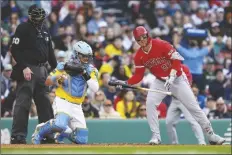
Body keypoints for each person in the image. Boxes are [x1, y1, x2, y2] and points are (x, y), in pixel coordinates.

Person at [113, 26, 225, 145]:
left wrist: (172, 76)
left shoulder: (161, 44)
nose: (142, 41)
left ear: (147, 36)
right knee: (150, 103)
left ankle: (211, 135)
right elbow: (138, 76)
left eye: (144, 37)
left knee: (194, 108)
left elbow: (177, 60)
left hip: (177, 78)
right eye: (139, 39)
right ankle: (156, 136)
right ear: (136, 41)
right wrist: (125, 83)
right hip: (160, 81)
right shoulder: (139, 56)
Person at [31, 41, 99, 144]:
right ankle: (40, 130)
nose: (86, 59)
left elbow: (95, 88)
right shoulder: (64, 66)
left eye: (88, 56)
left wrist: (84, 73)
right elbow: (47, 81)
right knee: (60, 124)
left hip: (77, 105)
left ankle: (63, 133)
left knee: (82, 140)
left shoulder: (91, 70)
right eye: (83, 56)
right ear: (76, 54)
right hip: (63, 101)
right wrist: (58, 77)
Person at [10, 4, 57, 144]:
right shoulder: (22, 28)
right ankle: (18, 136)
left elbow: (50, 53)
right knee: (23, 102)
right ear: (30, 15)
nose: (40, 18)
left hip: (43, 70)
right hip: (28, 70)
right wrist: (23, 67)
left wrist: (56, 69)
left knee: (45, 104)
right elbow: (14, 50)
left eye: (41, 15)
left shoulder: (45, 29)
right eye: (37, 15)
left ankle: (46, 135)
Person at [166, 64, 206, 145]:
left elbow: (188, 83)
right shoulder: (165, 68)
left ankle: (202, 141)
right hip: (174, 100)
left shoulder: (183, 68)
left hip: (184, 99)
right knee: (169, 122)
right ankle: (174, 143)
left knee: (192, 121)